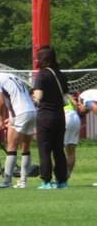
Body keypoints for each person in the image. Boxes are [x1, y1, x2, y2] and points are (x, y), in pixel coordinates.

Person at [0, 63, 37, 189]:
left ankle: (7, 181)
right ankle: (23, 181)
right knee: (25, 148)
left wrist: (1, 118)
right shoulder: (11, 76)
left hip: (20, 113)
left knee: (11, 147)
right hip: (31, 111)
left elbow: (0, 100)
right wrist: (11, 117)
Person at [31, 45, 69, 189]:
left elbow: (38, 96)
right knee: (59, 149)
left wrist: (33, 97)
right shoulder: (60, 74)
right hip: (60, 115)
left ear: (41, 59)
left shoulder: (42, 75)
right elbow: (66, 97)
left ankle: (46, 181)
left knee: (45, 149)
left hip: (45, 116)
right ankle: (62, 180)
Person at [64, 94, 81, 178]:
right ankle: (67, 175)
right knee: (71, 151)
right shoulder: (67, 95)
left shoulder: (52, 93)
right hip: (75, 117)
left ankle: (59, 176)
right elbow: (75, 104)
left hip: (64, 117)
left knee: (57, 149)